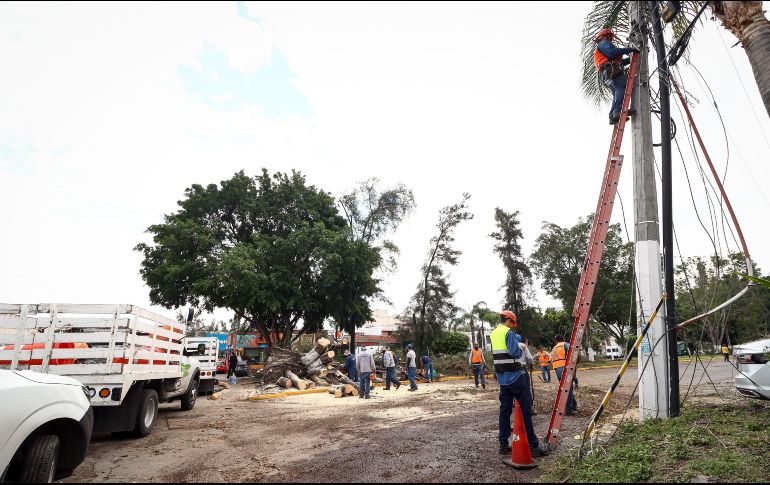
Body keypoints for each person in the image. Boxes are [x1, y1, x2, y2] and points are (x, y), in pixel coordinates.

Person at [492, 310, 547, 457]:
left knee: (504, 410)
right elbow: (514, 353)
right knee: (525, 410)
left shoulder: (494, 333)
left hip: (502, 379)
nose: (513, 326)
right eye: (512, 323)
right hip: (516, 376)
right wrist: (519, 347)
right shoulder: (508, 332)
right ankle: (533, 446)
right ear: (509, 320)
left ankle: (503, 444)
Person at [594, 28, 639, 125]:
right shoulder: (603, 43)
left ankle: (612, 116)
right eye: (609, 37)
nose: (610, 39)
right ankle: (617, 111)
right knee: (621, 87)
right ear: (605, 36)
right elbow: (613, 52)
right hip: (610, 71)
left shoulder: (603, 49)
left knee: (616, 93)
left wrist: (631, 58)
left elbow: (620, 62)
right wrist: (629, 49)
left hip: (607, 73)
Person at [551, 336, 578, 415]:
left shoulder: (554, 348)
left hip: (557, 370)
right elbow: (574, 354)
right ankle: (569, 409)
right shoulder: (565, 345)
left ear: (556, 341)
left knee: (567, 389)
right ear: (563, 339)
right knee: (568, 389)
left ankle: (573, 405)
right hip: (565, 369)